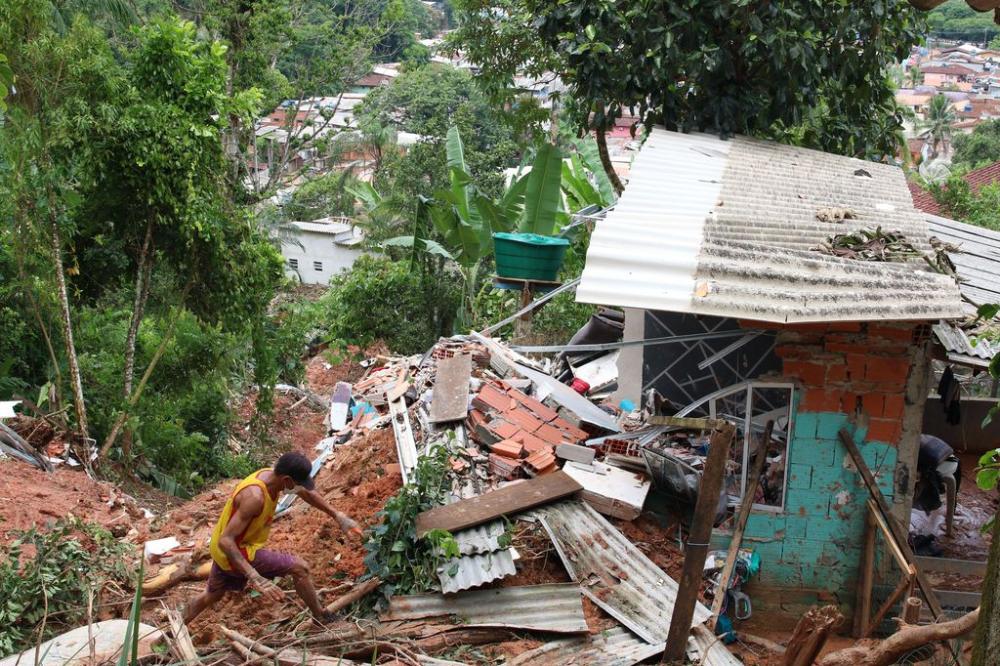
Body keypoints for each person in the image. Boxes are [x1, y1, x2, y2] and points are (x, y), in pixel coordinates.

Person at [182, 452, 361, 624]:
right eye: (298, 484)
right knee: (300, 568)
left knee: (211, 595)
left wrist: (337, 515)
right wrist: (255, 576)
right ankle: (320, 617)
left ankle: (175, 627)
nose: (300, 488)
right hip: (235, 551)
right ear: (287, 480)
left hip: (221, 552)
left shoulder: (271, 476)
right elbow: (226, 541)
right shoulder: (255, 497)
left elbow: (306, 493)